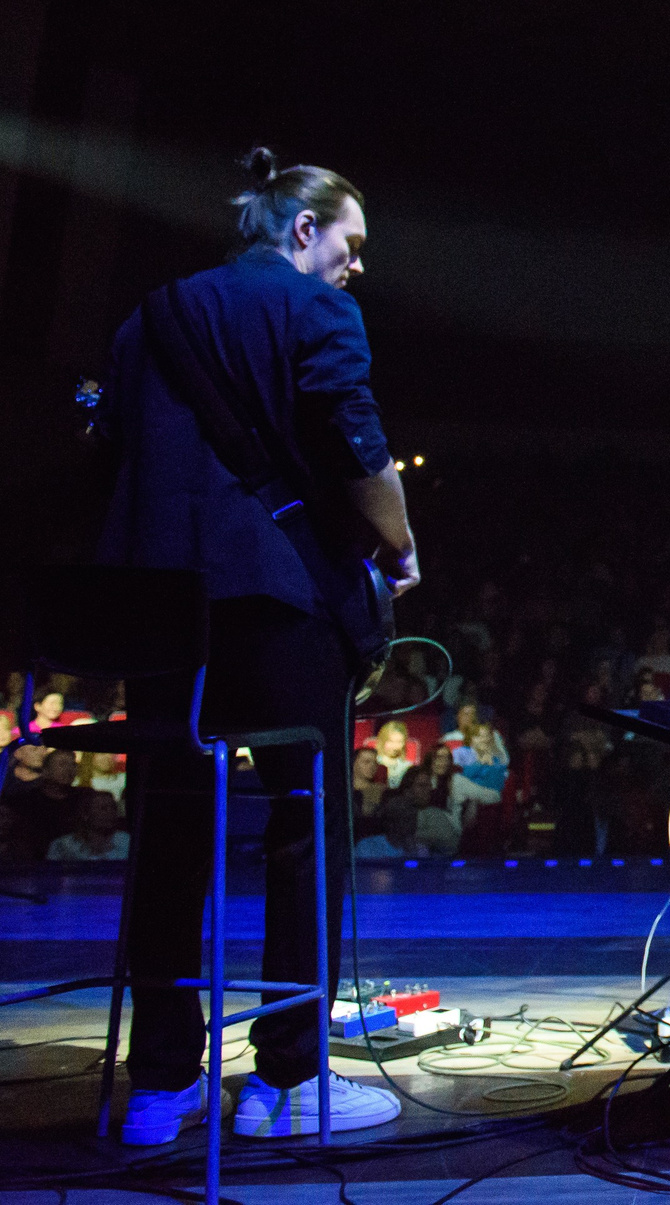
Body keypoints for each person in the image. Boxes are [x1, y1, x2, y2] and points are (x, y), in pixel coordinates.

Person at [88, 149, 416, 1142]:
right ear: (301, 229)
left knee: (169, 830)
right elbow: (356, 444)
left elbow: (107, 450)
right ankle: (287, 1080)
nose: (357, 266)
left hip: (153, 605)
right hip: (273, 601)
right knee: (302, 825)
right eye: (350, 244)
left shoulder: (151, 314)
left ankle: (159, 1084)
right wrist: (399, 546)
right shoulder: (317, 310)